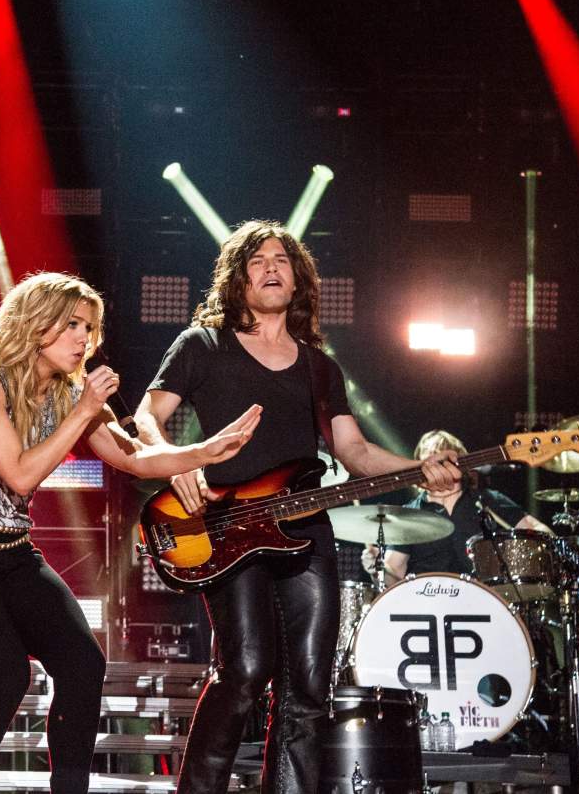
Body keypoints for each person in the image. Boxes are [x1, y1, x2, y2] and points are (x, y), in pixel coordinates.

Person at [133, 220, 460, 794]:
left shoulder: (318, 366)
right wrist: (177, 461)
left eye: (282, 258)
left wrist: (418, 468)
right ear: (238, 278)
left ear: (299, 278)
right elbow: (146, 418)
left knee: (309, 687)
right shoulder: (203, 345)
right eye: (257, 259)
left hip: (305, 534)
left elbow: (354, 453)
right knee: (246, 671)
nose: (271, 266)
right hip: (227, 530)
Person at [0, 271, 262, 794]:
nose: (84, 340)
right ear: (35, 323)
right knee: (6, 677)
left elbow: (132, 456)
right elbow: (21, 473)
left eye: (90, 328)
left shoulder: (69, 390)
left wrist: (201, 453)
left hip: (9, 550)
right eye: (72, 325)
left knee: (82, 663)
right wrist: (85, 410)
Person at [363, 429, 550, 585]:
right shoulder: (409, 514)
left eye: (441, 454)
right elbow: (394, 572)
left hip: (484, 603)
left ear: (459, 462)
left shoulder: (487, 501)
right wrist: (378, 568)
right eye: (427, 456)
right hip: (425, 605)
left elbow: (540, 533)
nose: (434, 463)